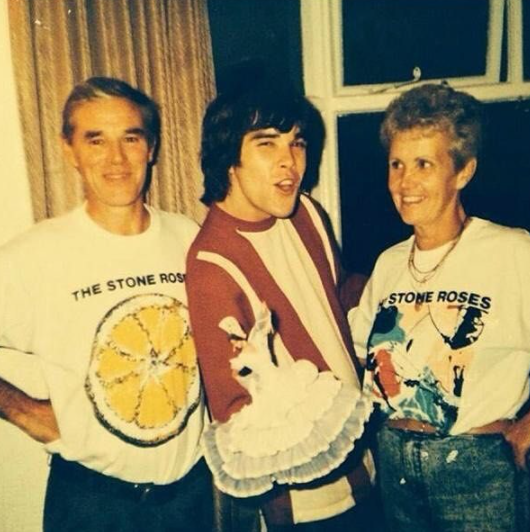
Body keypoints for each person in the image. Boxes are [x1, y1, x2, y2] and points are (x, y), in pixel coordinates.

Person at [0, 77, 213, 531]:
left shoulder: (189, 238)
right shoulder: (33, 255)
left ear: (151, 148)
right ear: (68, 149)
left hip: (190, 497)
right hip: (93, 503)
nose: (116, 160)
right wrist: (23, 409)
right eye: (95, 140)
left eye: (130, 139)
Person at [186, 78, 376, 531]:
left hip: (366, 462)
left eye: (297, 143)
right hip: (307, 500)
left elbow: (340, 297)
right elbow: (237, 413)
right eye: (267, 144)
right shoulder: (211, 264)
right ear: (229, 157)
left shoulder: (307, 212)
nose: (290, 162)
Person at [349, 83, 530, 531]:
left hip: (476, 471)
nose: (404, 183)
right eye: (396, 164)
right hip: (395, 464)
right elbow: (358, 353)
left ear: (463, 171)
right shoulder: (389, 263)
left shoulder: (511, 252)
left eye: (424, 164)